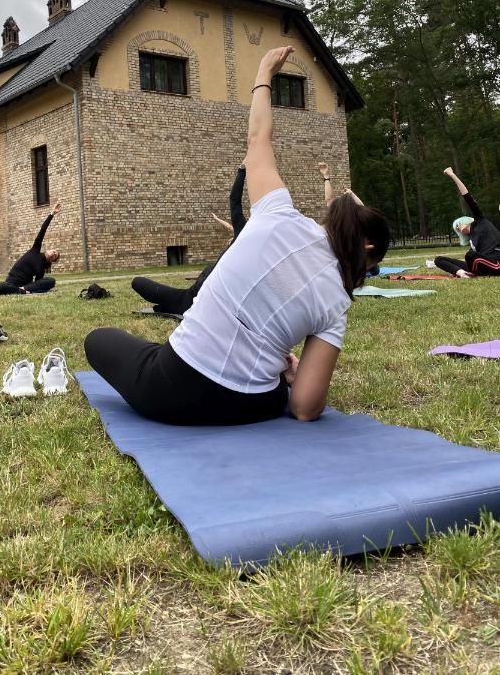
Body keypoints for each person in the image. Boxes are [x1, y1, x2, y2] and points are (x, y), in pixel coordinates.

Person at [85, 47, 390, 426]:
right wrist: (290, 376)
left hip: (170, 391)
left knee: (98, 339)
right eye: (370, 266)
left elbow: (258, 139)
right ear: (366, 248)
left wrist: (263, 74)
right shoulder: (336, 306)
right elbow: (305, 408)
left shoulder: (278, 212)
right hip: (251, 406)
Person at [131, 163, 247, 316]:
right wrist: (242, 171)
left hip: (193, 299)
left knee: (138, 282)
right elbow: (234, 204)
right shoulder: (244, 233)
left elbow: (234, 201)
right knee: (138, 282)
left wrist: (242, 170)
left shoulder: (246, 238)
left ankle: (167, 307)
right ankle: (165, 307)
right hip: (192, 295)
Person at [434, 168, 500, 277]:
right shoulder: (472, 243)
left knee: (470, 255)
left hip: (496, 262)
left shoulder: (480, 220)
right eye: (458, 229)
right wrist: (456, 270)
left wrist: (452, 175)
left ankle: (473, 272)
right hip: (481, 263)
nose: (459, 228)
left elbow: (467, 196)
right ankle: (463, 274)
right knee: (438, 260)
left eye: (459, 225)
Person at [318, 162, 380, 277]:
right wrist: (326, 177)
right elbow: (329, 200)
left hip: (360, 257)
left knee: (375, 271)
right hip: (347, 259)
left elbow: (362, 207)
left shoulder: (355, 218)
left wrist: (351, 194)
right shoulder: (338, 220)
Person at [0, 201, 61, 295]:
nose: (54, 253)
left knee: (51, 281)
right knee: (0, 286)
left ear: (51, 261)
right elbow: (43, 230)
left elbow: (38, 283)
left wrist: (40, 287)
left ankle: (23, 290)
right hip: (11, 284)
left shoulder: (41, 269)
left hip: (25, 286)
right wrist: (52, 214)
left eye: (55, 256)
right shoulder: (35, 250)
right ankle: (22, 291)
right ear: (48, 250)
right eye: (54, 251)